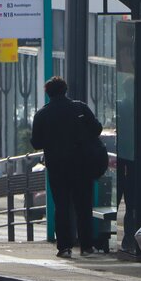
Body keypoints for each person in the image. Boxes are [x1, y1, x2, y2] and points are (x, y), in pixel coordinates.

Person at [31, 76, 103, 258]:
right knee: (83, 205)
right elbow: (97, 129)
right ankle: (86, 246)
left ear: (48, 93)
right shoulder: (80, 108)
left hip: (57, 167)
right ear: (65, 90)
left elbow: (36, 142)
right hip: (82, 165)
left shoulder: (42, 114)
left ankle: (65, 247)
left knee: (61, 206)